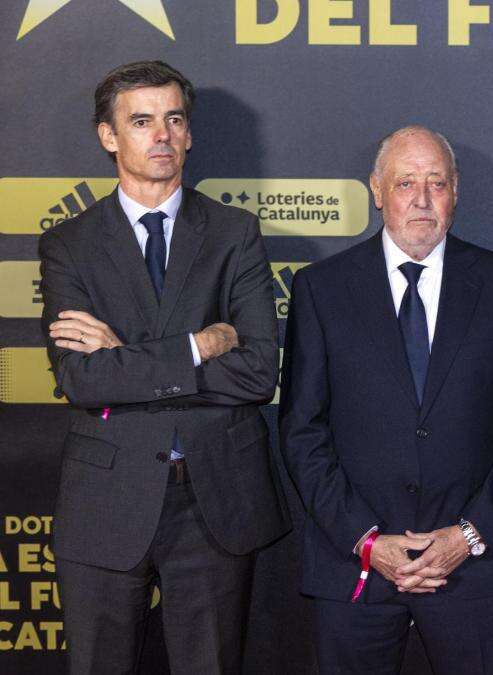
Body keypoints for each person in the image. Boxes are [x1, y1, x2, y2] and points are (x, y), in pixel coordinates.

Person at [39, 60, 291, 673]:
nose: (162, 135)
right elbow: (81, 378)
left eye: (174, 120)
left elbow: (259, 372)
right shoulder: (69, 244)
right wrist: (197, 347)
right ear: (108, 136)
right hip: (107, 498)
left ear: (189, 133)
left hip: (215, 502)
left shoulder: (235, 233)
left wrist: (125, 356)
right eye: (142, 121)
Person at [279, 125, 493, 674]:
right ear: (377, 191)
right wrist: (367, 541)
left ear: (456, 191)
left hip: (475, 569)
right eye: (406, 183)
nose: (422, 200)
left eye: (437, 183)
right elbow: (302, 432)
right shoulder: (321, 289)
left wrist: (467, 536)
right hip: (353, 565)